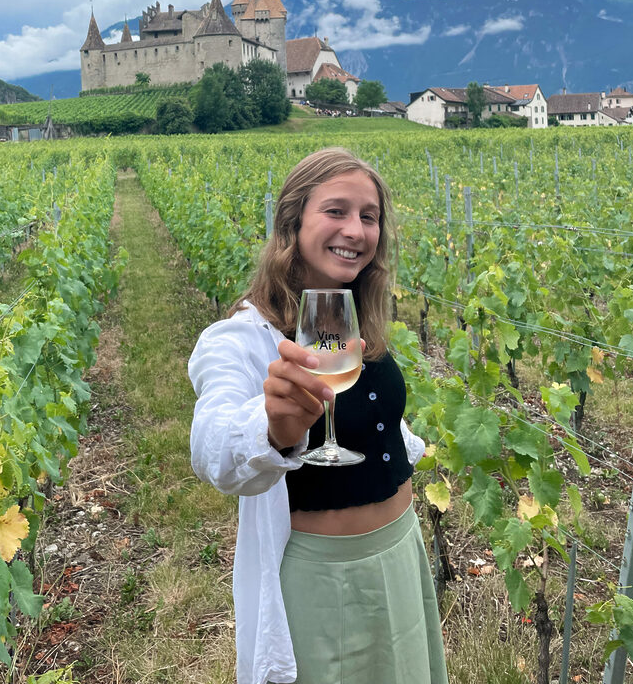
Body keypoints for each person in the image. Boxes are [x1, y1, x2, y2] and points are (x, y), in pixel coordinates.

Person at [189, 147, 448, 684]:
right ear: (292, 221)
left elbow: (377, 419)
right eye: (336, 211)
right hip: (321, 579)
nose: (355, 229)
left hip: (400, 552)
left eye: (369, 216)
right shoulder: (243, 336)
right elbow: (212, 448)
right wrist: (272, 426)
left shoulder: (351, 318)